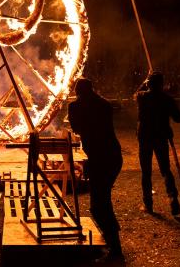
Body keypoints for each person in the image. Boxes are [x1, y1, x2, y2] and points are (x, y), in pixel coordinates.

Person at [68, 78, 123, 260]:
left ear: (78, 92)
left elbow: (77, 128)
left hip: (101, 159)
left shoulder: (75, 107)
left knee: (99, 206)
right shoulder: (104, 104)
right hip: (113, 157)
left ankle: (115, 249)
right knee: (102, 202)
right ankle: (113, 244)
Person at [135, 71, 180, 215]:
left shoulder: (142, 97)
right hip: (161, 137)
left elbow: (136, 92)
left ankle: (148, 204)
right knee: (165, 170)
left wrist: (145, 79)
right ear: (162, 84)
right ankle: (173, 197)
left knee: (146, 172)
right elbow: (178, 118)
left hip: (145, 137)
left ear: (149, 84)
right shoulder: (167, 99)